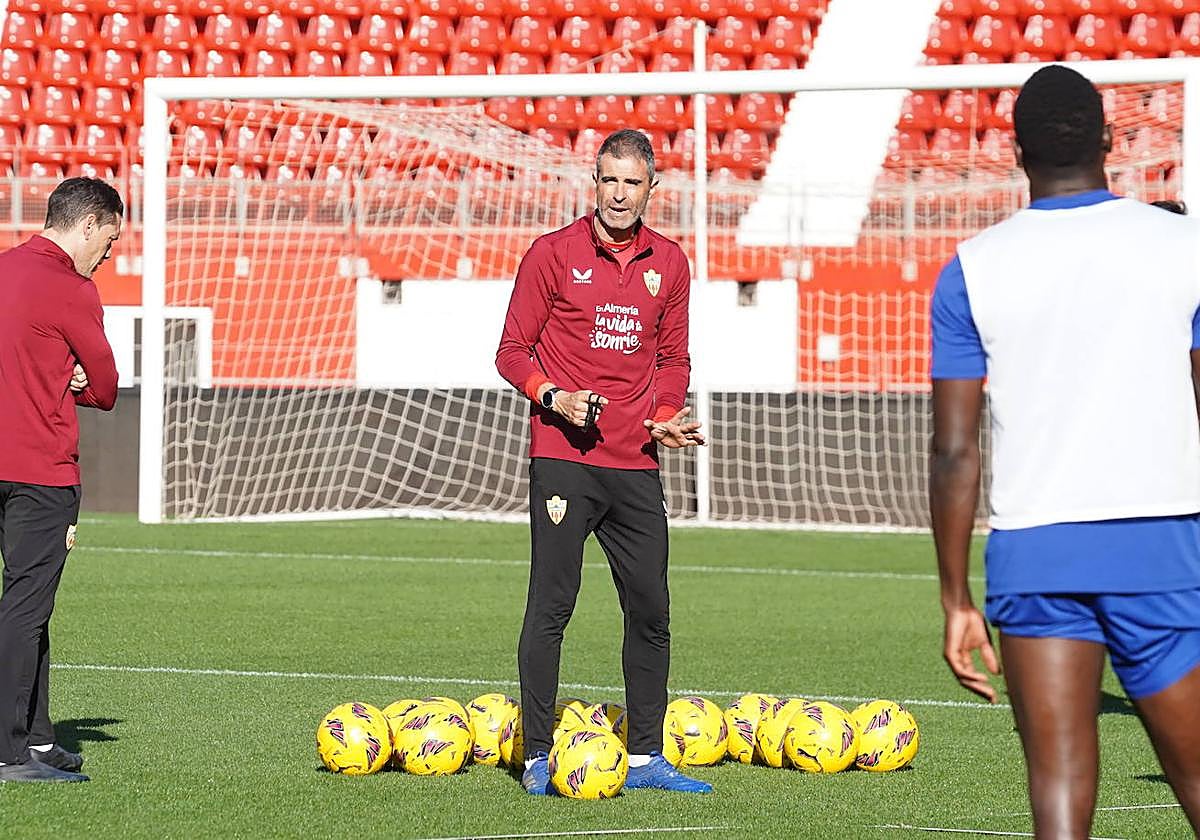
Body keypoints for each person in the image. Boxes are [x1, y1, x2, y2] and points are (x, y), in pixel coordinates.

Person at [930, 65, 1200, 837]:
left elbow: (954, 453)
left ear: (1016, 153)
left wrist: (956, 600)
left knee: (1058, 789)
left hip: (1036, 551)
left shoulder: (972, 270)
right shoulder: (1185, 246)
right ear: (1111, 141)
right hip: (1162, 547)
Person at [496, 129, 710, 795]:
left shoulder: (669, 264)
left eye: (631, 182)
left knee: (650, 608)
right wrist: (553, 397)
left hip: (636, 462)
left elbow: (674, 359)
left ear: (652, 189)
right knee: (552, 606)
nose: (618, 194)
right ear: (595, 183)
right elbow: (511, 350)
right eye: (608, 180)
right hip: (563, 458)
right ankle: (536, 755)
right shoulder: (552, 254)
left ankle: (646, 756)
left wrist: (667, 413)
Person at [0, 177, 122, 783]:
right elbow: (105, 385)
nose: (110, 252)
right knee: (25, 607)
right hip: (38, 473)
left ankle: (39, 738)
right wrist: (76, 381)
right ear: (90, 224)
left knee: (29, 608)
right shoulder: (74, 290)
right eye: (111, 239)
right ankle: (8, 752)